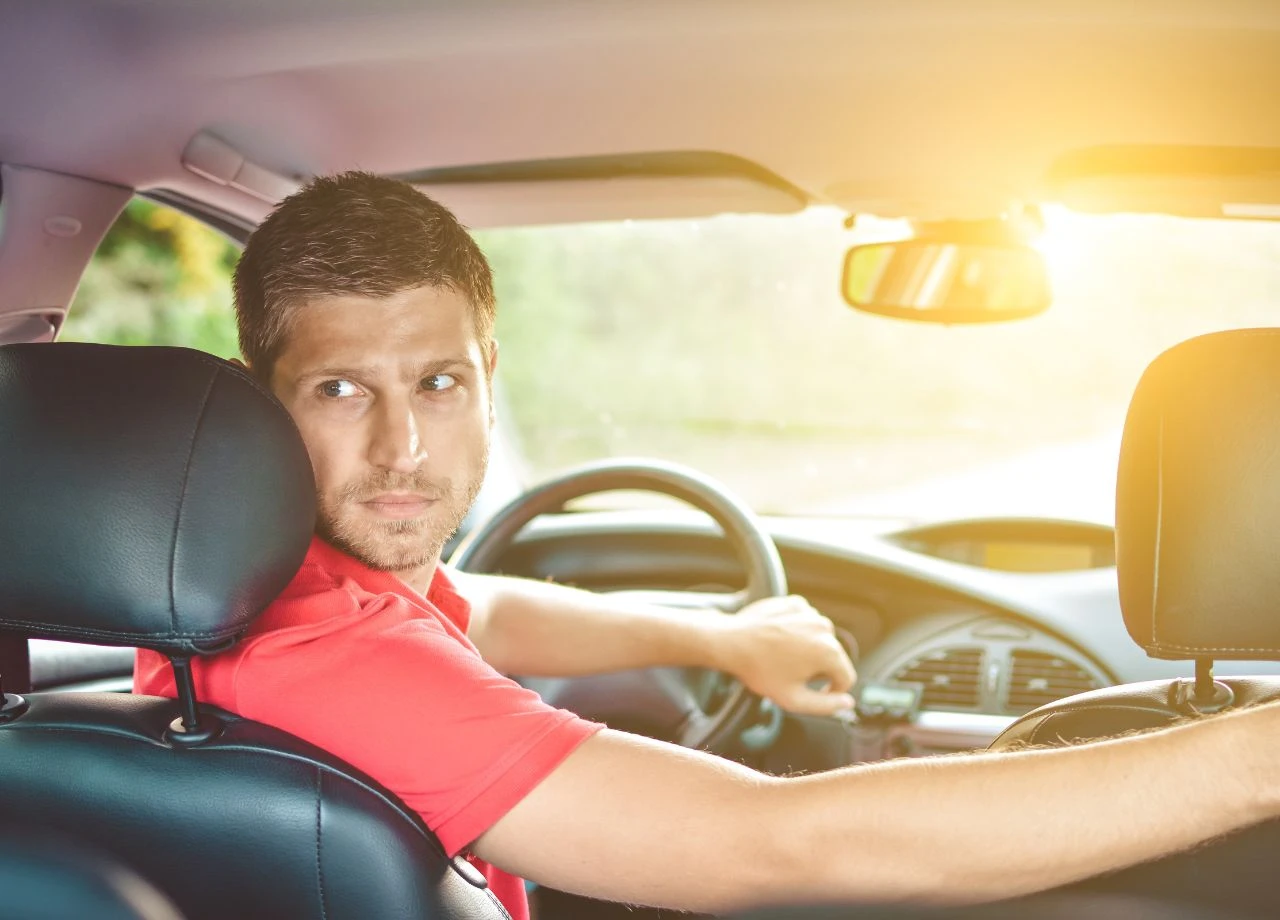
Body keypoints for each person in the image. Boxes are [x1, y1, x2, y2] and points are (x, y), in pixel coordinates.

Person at [136, 173, 1280, 918]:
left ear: (490, 384)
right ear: (259, 403)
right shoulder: (330, 651)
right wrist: (1253, 753)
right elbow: (765, 843)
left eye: (437, 382)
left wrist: (720, 635)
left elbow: (471, 602)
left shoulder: (239, 596)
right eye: (340, 389)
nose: (400, 445)